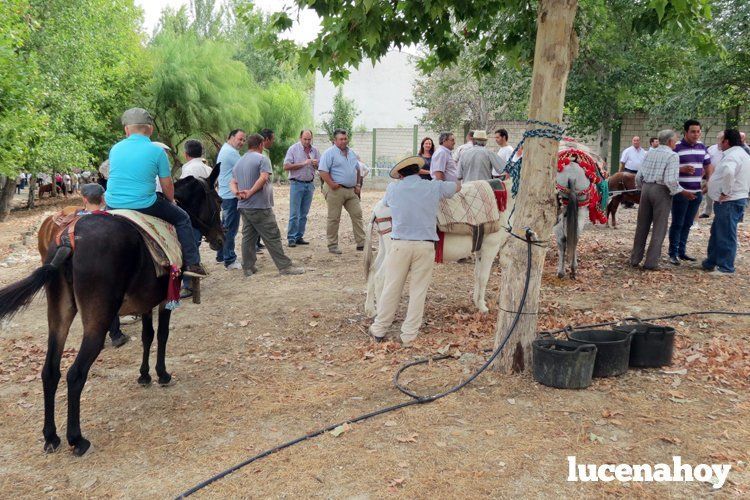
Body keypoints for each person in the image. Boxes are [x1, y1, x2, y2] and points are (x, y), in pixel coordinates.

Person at [368, 156, 460, 346]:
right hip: (425, 246)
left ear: (400, 175)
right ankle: (409, 335)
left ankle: (379, 328)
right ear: (418, 171)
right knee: (418, 290)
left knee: (392, 287)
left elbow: (385, 204)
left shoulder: (393, 189)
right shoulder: (433, 187)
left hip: (400, 244)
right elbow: (456, 187)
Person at [106, 107, 207, 278]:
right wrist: (171, 200)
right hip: (144, 204)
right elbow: (166, 184)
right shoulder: (157, 151)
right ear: (150, 129)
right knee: (183, 219)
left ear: (126, 129)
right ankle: (192, 263)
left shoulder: (115, 149)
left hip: (112, 204)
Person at [230, 133, 304, 277]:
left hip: (244, 206)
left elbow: (232, 182)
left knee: (248, 237)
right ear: (261, 145)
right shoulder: (263, 159)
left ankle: (248, 267)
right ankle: (285, 267)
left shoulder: (239, 161)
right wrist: (250, 192)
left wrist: (237, 193)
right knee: (272, 235)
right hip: (259, 206)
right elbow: (264, 177)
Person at [630, 130, 694, 270]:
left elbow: (638, 176)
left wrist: (642, 188)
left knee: (642, 226)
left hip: (646, 189)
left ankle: (635, 259)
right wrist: (683, 192)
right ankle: (651, 263)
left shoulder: (650, 152)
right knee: (659, 228)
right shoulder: (672, 155)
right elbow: (670, 180)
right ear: (670, 141)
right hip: (661, 191)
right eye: (675, 140)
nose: (676, 143)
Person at [77, 182, 130, 347]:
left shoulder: (78, 220)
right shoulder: (114, 218)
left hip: (80, 267)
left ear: (84, 199)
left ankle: (94, 338)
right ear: (103, 198)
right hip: (106, 266)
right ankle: (115, 335)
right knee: (108, 298)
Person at [701, 129, 750, 275]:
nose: (719, 143)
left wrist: (725, 192)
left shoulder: (732, 156)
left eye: (721, 140)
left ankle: (726, 267)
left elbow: (729, 172)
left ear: (726, 142)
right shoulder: (742, 154)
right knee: (717, 231)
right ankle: (711, 261)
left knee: (726, 233)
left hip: (729, 200)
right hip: (734, 198)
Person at [668, 119, 710, 266]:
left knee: (688, 223)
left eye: (698, 131)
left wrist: (708, 182)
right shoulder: (676, 147)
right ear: (685, 132)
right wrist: (681, 168)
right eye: (693, 131)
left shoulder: (702, 147)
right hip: (680, 192)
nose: (696, 134)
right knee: (677, 223)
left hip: (696, 192)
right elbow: (668, 167)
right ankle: (672, 253)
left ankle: (682, 251)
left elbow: (708, 165)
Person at [318, 129, 366, 254]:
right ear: (335, 140)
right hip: (336, 190)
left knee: (357, 215)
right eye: (341, 139)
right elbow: (322, 171)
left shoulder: (352, 153)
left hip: (351, 190)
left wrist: (358, 184)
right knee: (334, 218)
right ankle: (332, 245)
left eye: (345, 138)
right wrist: (332, 184)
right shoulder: (329, 153)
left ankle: (361, 243)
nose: (344, 141)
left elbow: (359, 169)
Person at [179, 139, 212, 298]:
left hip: (191, 215)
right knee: (194, 246)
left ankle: (189, 284)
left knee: (188, 247)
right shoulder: (208, 169)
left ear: (186, 154)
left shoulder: (188, 170)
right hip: (207, 215)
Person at [216, 129, 246, 270]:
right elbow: (245, 168)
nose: (242, 142)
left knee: (225, 227)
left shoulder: (226, 149)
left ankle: (221, 255)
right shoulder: (231, 153)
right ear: (231, 137)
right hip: (231, 196)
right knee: (230, 229)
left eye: (244, 140)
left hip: (225, 194)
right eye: (240, 139)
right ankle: (229, 259)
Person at [283, 130, 320, 247]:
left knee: (304, 213)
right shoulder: (293, 149)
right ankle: (291, 238)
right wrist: (304, 163)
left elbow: (321, 166)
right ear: (300, 138)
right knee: (294, 213)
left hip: (309, 184)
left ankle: (299, 236)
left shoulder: (315, 150)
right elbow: (286, 166)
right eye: (305, 139)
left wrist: (315, 164)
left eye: (309, 139)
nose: (307, 141)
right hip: (296, 183)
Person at [700, 131, 724, 219]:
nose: (720, 140)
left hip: (722, 175)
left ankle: (719, 212)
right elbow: (706, 161)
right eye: (719, 138)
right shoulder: (711, 149)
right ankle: (707, 212)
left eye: (722, 139)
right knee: (708, 193)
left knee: (720, 194)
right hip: (711, 174)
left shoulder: (727, 149)